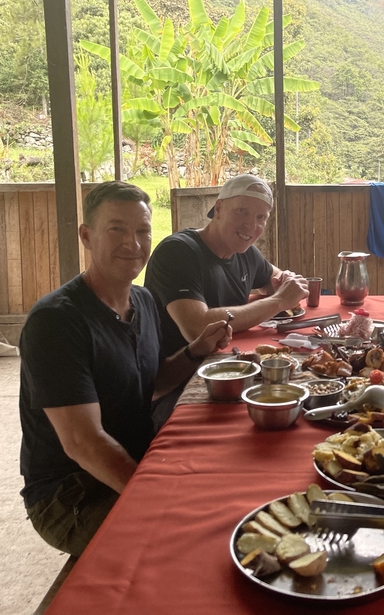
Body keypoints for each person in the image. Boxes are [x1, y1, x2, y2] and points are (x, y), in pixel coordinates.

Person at [19, 182, 232, 556]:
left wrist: (196, 350)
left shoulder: (144, 301)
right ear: (87, 236)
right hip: (71, 492)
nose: (132, 243)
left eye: (142, 231)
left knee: (227, 493)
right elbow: (84, 443)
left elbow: (151, 384)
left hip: (137, 458)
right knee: (188, 546)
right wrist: (152, 497)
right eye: (116, 229)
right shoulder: (56, 321)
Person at [144, 174, 307, 424]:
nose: (251, 226)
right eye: (242, 211)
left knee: (294, 403)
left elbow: (276, 280)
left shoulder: (245, 253)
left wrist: (284, 283)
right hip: (176, 387)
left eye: (260, 217)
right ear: (219, 208)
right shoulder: (179, 252)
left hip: (228, 373)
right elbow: (196, 327)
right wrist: (278, 302)